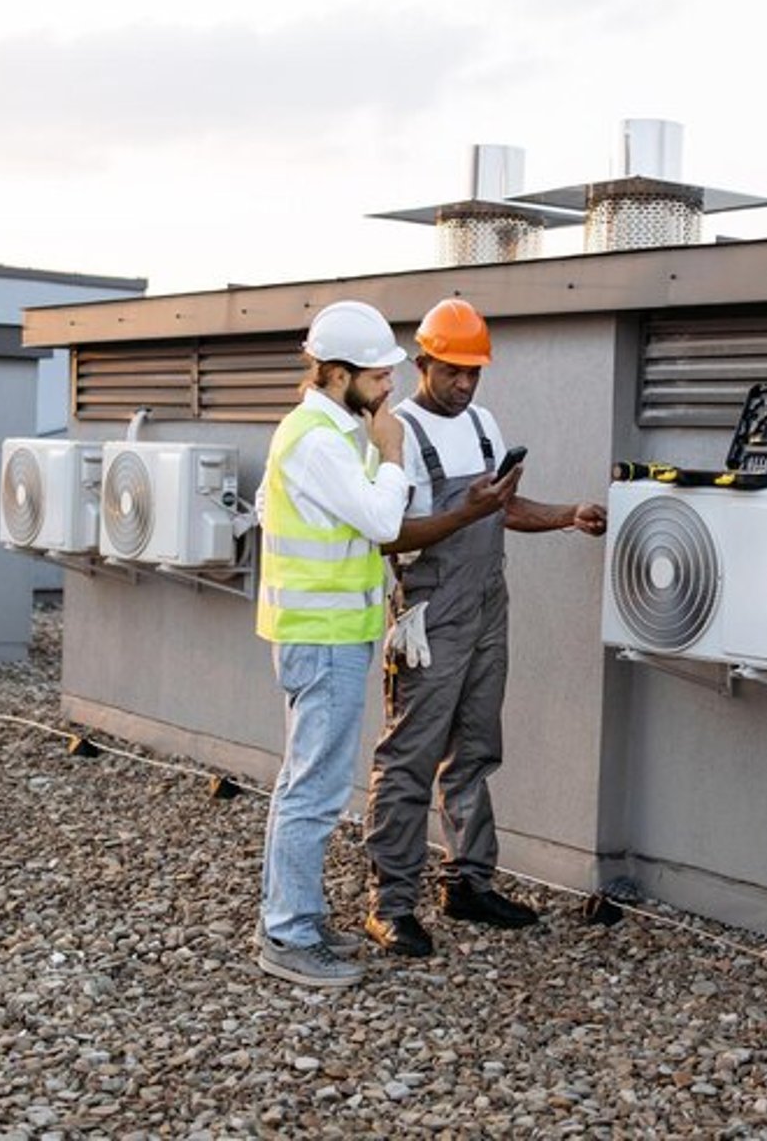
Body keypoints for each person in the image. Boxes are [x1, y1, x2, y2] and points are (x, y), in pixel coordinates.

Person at [363, 298, 609, 959]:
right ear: (423, 363)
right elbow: (382, 533)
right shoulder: (396, 432)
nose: (465, 385)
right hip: (430, 606)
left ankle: (468, 882)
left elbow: (501, 510)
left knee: (474, 746)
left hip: (487, 603)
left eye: (475, 373)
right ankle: (389, 903)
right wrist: (466, 512)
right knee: (411, 751)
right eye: (453, 372)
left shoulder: (482, 425)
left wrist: (567, 515)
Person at [251, 299, 416, 988]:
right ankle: (287, 934)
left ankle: (299, 915)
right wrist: (392, 455)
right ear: (340, 372)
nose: (389, 389)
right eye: (379, 377)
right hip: (323, 639)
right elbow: (382, 518)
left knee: (306, 780)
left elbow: (267, 506)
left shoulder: (319, 432)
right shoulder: (323, 439)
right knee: (314, 787)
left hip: (323, 633)